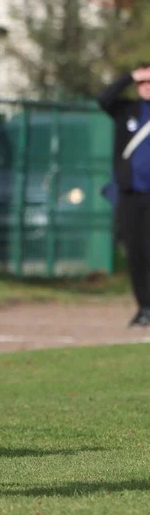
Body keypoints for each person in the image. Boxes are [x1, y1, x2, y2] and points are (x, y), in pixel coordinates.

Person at [97, 64, 150, 327]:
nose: (147, 86)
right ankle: (145, 307)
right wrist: (130, 77)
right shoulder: (126, 110)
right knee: (136, 252)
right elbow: (103, 99)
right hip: (130, 194)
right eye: (143, 82)